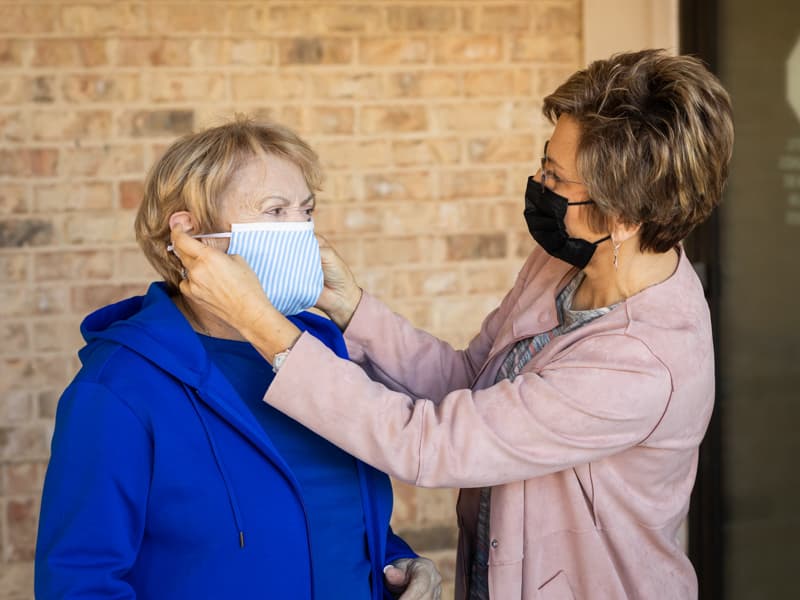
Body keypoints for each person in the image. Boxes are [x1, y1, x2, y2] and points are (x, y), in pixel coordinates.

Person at [171, 49, 734, 599]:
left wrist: (263, 325)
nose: (539, 182)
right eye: (545, 159)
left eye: (557, 179)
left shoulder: (643, 363)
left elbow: (430, 444)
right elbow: (470, 382)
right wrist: (351, 308)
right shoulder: (566, 261)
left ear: (625, 216)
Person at [35, 119, 442, 600]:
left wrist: (395, 560)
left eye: (306, 210)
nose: (301, 230)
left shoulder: (319, 354)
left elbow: (330, 514)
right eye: (276, 211)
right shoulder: (118, 387)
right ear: (191, 233)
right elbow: (79, 581)